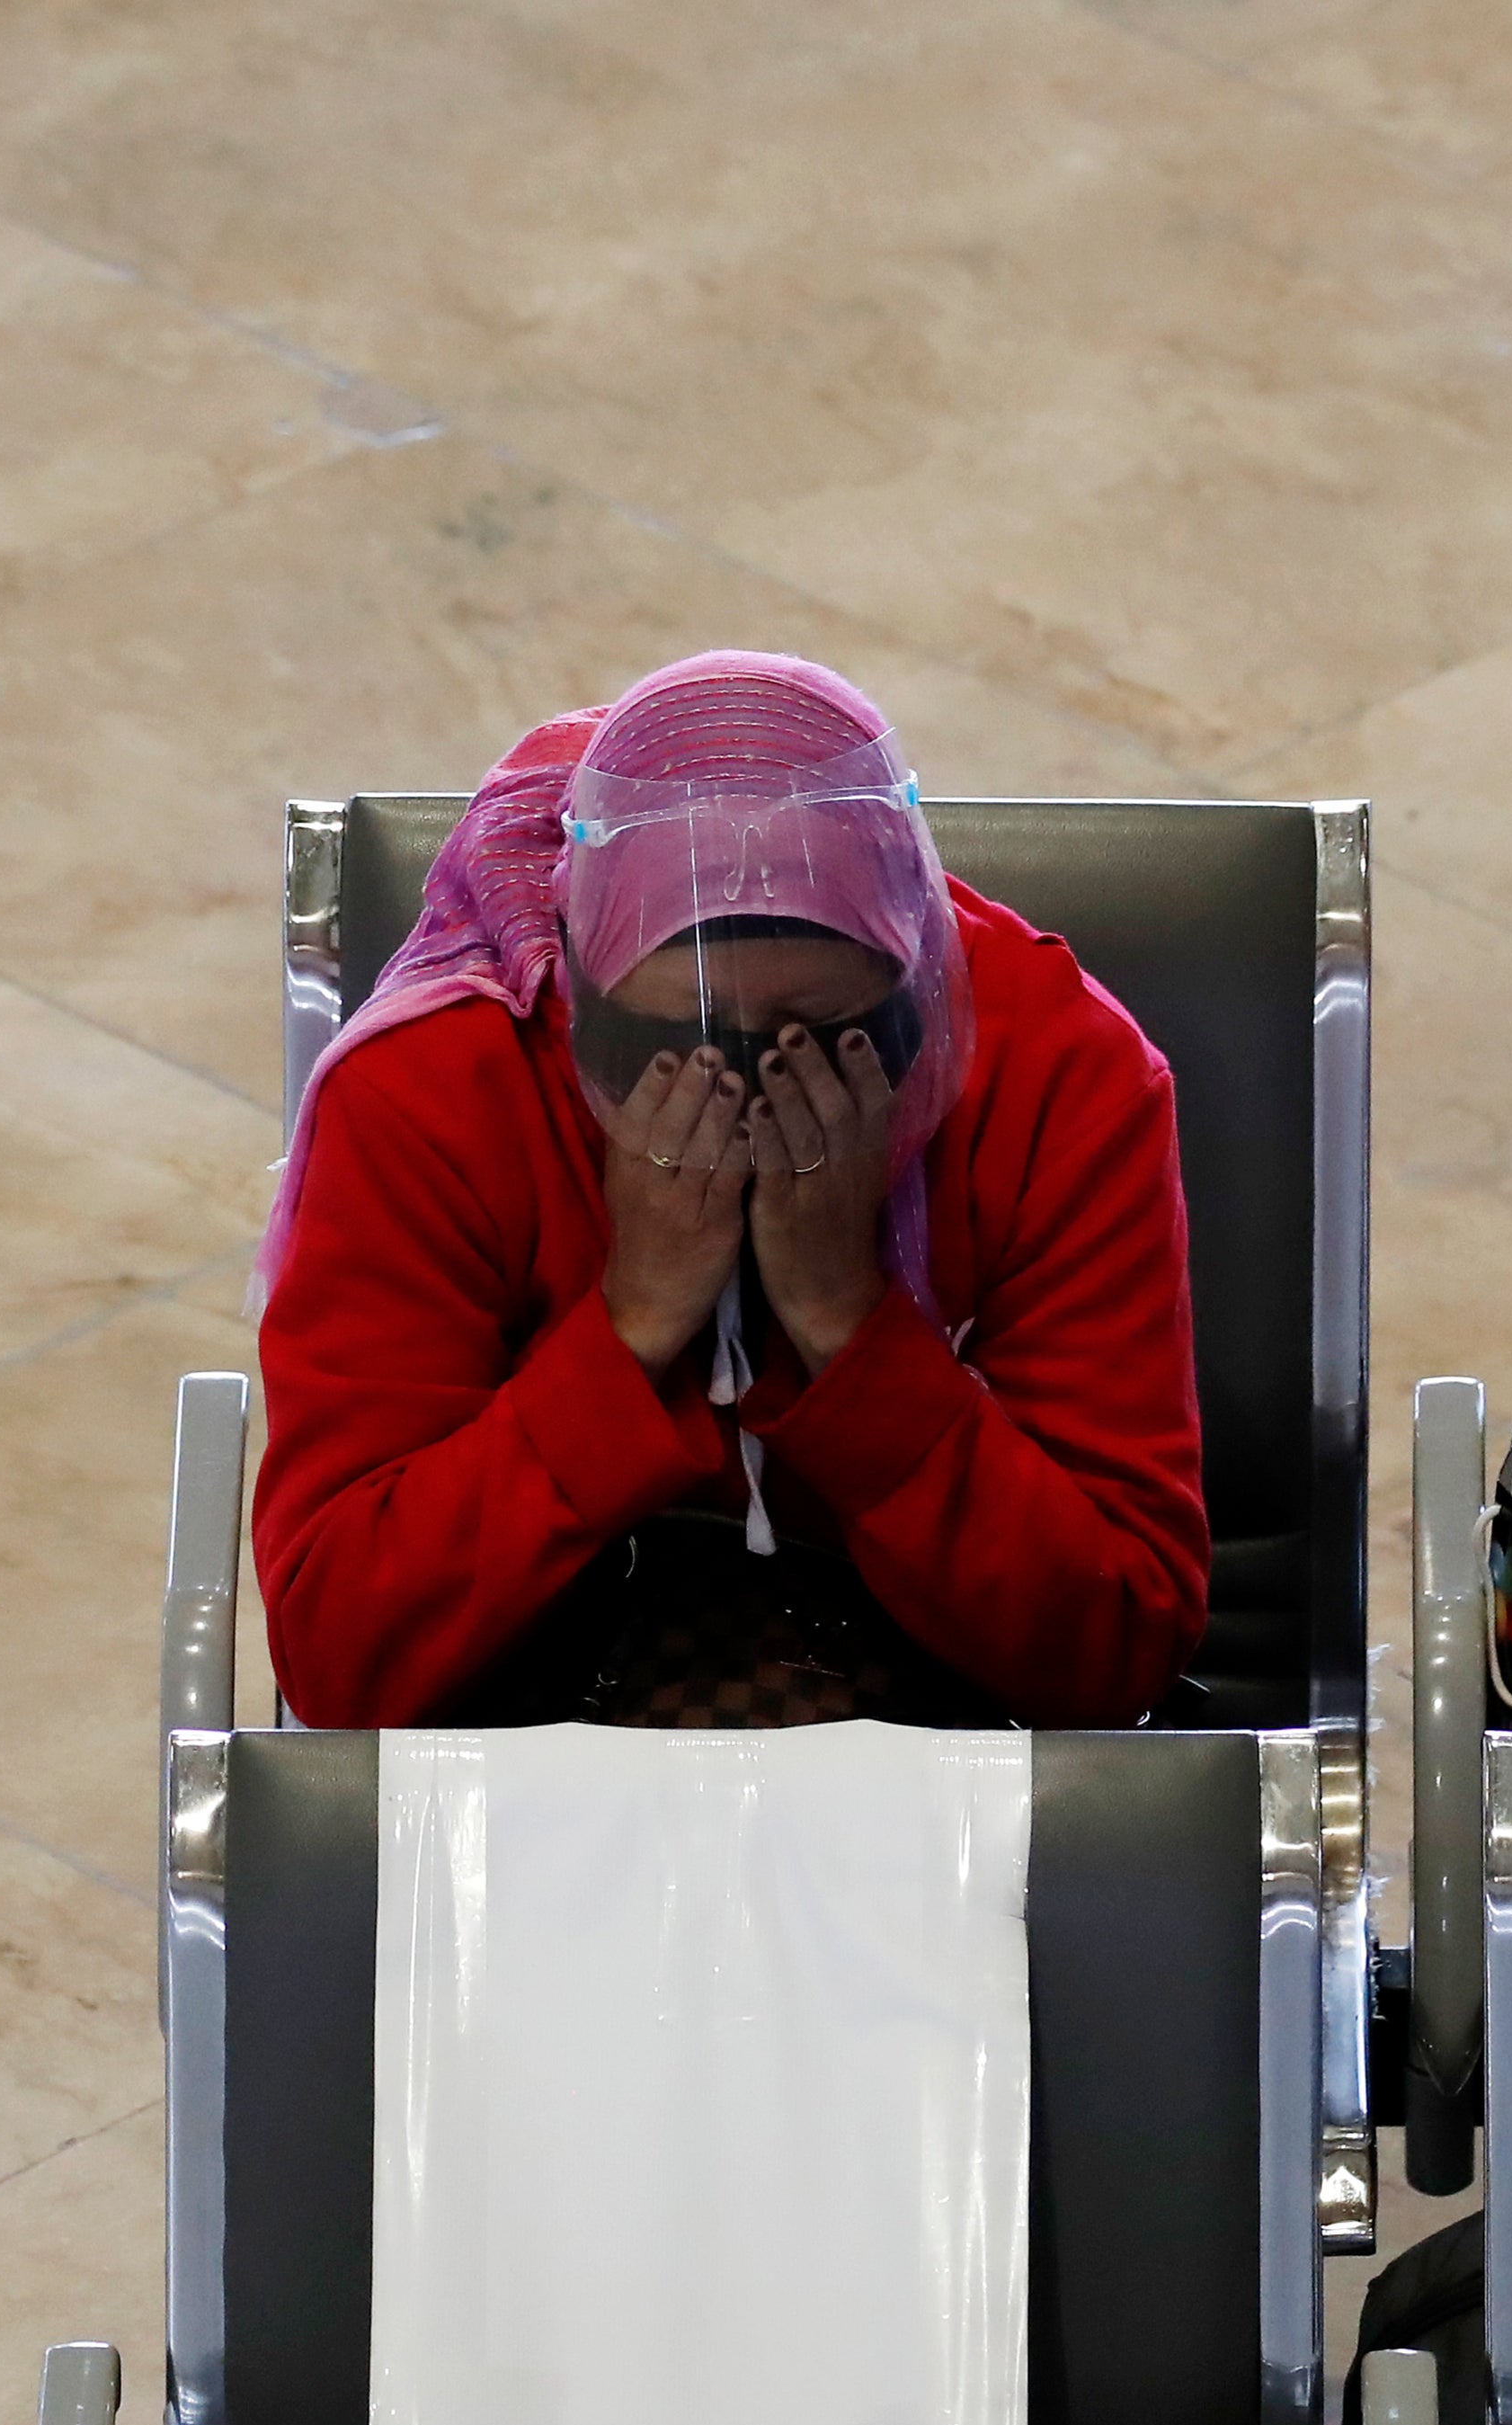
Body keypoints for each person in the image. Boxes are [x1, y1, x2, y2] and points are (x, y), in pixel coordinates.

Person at [252, 649, 1209, 1728]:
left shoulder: (1057, 1071)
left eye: (823, 1043)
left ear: (916, 983)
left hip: (936, 1728)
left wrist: (848, 1323)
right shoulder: (437, 1089)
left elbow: (1116, 1643)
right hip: (529, 1734)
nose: (754, 1104)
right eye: (676, 1046)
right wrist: (632, 1322)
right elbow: (339, 1655)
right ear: (579, 985)